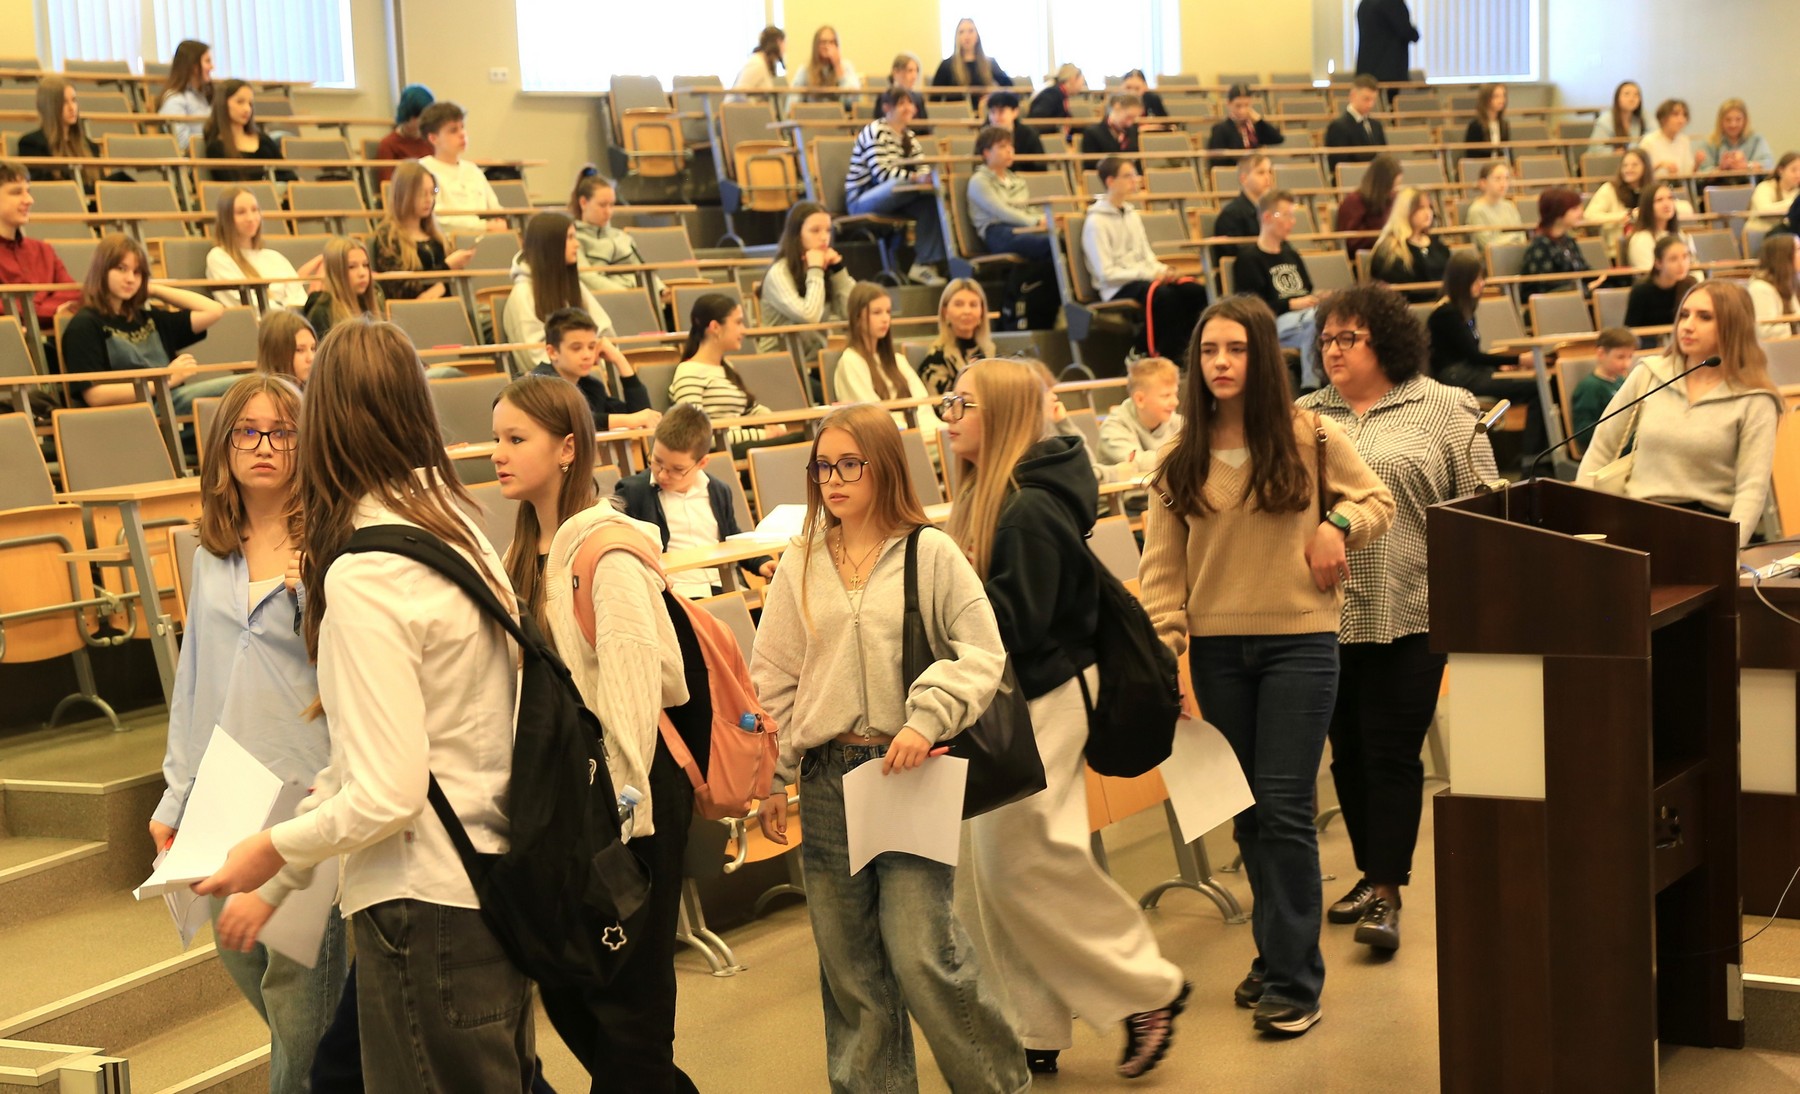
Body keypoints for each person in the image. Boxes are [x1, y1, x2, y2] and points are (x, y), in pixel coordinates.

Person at [193, 318, 536, 1093]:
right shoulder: (460, 528)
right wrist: (279, 882)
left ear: (326, 428)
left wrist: (273, 848)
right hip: (488, 880)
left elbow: (385, 792)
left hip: (425, 902)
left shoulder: (368, 572)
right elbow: (370, 759)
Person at [749, 402, 1026, 1094]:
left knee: (922, 952)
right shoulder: (801, 560)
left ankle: (998, 1084)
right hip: (826, 780)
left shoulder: (929, 552)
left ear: (884, 468)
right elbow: (774, 675)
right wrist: (772, 777)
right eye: (823, 467)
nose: (833, 481)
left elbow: (982, 653)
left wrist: (926, 718)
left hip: (909, 774)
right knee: (852, 973)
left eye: (850, 465)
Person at [1139, 295, 1394, 1036]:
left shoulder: (1311, 436)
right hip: (1219, 653)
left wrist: (1336, 524)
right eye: (1209, 351)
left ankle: (1295, 982)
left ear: (1262, 357)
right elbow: (1162, 575)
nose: (1221, 363)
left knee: (1282, 807)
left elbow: (1377, 501)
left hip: (1300, 644)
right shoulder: (1177, 460)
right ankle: (1274, 951)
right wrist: (1163, 654)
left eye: (1236, 349)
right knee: (1248, 813)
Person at [941, 357, 1191, 1078]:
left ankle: (1147, 988)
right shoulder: (999, 498)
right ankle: (1033, 1024)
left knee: (1026, 862)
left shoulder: (1028, 510)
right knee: (992, 870)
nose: (949, 416)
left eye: (962, 403)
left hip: (1047, 694)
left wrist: (943, 603)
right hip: (1018, 698)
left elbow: (1016, 625)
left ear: (1000, 416)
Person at [489, 376, 698, 1093]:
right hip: (575, 797)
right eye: (497, 438)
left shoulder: (606, 553)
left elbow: (637, 691)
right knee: (575, 995)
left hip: (627, 797)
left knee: (630, 1016)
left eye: (516, 439)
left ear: (567, 448)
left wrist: (626, 821)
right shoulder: (525, 553)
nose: (498, 453)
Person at [155, 373, 348, 1094]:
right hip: (225, 790)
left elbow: (349, 671)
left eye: (283, 432)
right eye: (248, 431)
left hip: (306, 786)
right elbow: (194, 678)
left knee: (299, 1003)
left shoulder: (330, 541)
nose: (265, 445)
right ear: (224, 446)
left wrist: (313, 593)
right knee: (242, 957)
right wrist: (175, 796)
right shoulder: (209, 552)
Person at [1298, 285, 1495, 954]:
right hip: (1322, 615)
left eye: (1347, 338)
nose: (1333, 350)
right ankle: (1369, 872)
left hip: (1412, 605)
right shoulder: (1304, 415)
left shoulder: (1444, 406)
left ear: (1385, 339)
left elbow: (1481, 506)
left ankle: (1387, 890)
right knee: (1348, 753)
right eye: (1326, 339)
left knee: (1389, 751)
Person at [1577, 282, 1781, 547]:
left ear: (1733, 326)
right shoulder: (1649, 373)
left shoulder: (1755, 398)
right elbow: (1601, 448)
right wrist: (1583, 521)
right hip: (1634, 523)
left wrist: (1729, 553)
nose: (1687, 325)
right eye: (1684, 314)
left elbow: (1751, 489)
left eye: (1704, 317)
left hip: (1706, 532)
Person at [614, 403, 776, 596]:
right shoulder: (632, 492)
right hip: (677, 592)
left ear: (702, 462)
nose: (663, 474)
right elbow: (624, 552)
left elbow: (731, 536)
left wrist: (761, 562)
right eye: (657, 461)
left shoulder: (718, 490)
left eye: (677, 469)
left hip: (724, 585)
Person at [62, 232, 224, 410]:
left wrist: (154, 289)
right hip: (136, 410)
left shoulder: (148, 317)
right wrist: (166, 381)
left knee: (242, 390)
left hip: (170, 401)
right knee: (239, 389)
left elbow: (213, 310)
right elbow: (95, 396)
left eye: (137, 272)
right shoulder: (84, 324)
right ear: (101, 270)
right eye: (121, 269)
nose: (130, 279)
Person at [1083, 156, 1208, 361]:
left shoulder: (1131, 214)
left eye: (1135, 175)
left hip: (1144, 278)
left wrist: (1164, 270)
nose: (1135, 180)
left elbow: (1146, 255)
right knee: (1163, 296)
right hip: (1117, 286)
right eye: (1128, 176)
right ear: (1110, 181)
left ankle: (1189, 350)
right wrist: (1150, 275)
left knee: (1193, 290)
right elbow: (1105, 273)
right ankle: (1156, 352)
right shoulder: (1096, 222)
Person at [1427, 251, 1544, 454]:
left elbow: (1472, 354)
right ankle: (1531, 457)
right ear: (1462, 281)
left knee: (1537, 385)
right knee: (1536, 388)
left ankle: (1529, 453)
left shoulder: (1463, 309)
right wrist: (1518, 359)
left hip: (1470, 372)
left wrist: (1500, 365)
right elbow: (1473, 356)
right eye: (1477, 279)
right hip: (1457, 378)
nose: (1482, 284)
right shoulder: (1445, 313)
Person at [846, 88, 946, 287]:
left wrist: (926, 178)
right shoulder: (875, 131)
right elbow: (882, 175)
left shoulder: (909, 136)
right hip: (861, 199)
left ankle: (923, 264)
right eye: (902, 104)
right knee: (898, 184)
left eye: (910, 103)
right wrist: (916, 178)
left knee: (930, 200)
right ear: (886, 108)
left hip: (897, 196)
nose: (908, 108)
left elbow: (921, 166)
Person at [670, 293, 790, 453]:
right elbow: (694, 436)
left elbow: (749, 409)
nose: (744, 330)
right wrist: (762, 435)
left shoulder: (726, 367)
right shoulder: (689, 372)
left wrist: (774, 422)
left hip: (742, 445)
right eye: (738, 322)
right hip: (720, 451)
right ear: (715, 327)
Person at [506, 211, 621, 376]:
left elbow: (604, 333)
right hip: (549, 386)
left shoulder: (572, 284)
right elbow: (534, 357)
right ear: (550, 245)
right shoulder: (523, 294)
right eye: (570, 238)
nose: (577, 244)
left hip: (586, 377)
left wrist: (594, 363)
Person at [966, 126, 1058, 330]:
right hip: (997, 233)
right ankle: (1030, 294)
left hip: (1021, 229)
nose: (1009, 151)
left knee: (1059, 241)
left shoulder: (1016, 180)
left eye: (1010, 146)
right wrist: (1035, 222)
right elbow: (1002, 211)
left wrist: (1045, 219)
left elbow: (1023, 209)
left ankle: (1043, 300)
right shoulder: (978, 181)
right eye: (1002, 146)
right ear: (986, 152)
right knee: (1050, 245)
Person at [1235, 189, 1327, 389]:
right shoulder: (1249, 258)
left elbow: (1307, 289)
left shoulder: (1291, 254)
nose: (1292, 222)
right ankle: (1311, 388)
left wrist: (1316, 298)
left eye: (1292, 216)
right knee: (1317, 321)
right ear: (1267, 217)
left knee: (1325, 319)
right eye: (1287, 215)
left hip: (1304, 319)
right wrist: (1290, 304)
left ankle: (1321, 387)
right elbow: (1251, 308)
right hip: (1274, 321)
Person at [834, 281, 945, 436]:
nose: (885, 319)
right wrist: (909, 428)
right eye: (877, 312)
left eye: (888, 312)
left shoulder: (898, 360)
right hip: (887, 435)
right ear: (857, 317)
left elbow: (922, 402)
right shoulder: (851, 361)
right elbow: (869, 414)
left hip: (919, 428)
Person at [756, 200, 854, 362]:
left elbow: (853, 314)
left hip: (814, 359)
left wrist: (838, 271)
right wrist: (815, 270)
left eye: (828, 230)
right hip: (779, 363)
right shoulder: (779, 272)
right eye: (815, 231)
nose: (824, 237)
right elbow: (809, 317)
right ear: (796, 235)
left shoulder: (826, 268)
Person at [0, 162, 81, 358]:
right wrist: (54, 310)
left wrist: (33, 312)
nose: (29, 200)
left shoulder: (42, 249)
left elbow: (73, 293)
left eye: (28, 191)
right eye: (16, 192)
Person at [533, 306, 658, 432]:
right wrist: (627, 420)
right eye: (576, 348)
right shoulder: (538, 382)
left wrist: (619, 360)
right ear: (552, 352)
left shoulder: (592, 387)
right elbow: (568, 420)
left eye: (591, 347)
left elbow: (640, 415)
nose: (587, 355)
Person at [371, 160, 474, 302]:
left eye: (432, 192)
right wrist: (446, 268)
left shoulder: (436, 235)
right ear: (404, 194)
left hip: (447, 306)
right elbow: (401, 289)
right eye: (422, 193)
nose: (429, 199)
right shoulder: (388, 237)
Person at [207, 186, 321, 312]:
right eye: (241, 212)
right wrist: (286, 312)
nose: (251, 218)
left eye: (254, 210)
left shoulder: (274, 257)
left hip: (294, 318)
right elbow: (244, 306)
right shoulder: (219, 257)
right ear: (226, 219)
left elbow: (298, 297)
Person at [568, 167, 662, 298]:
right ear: (583, 203)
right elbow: (587, 277)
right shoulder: (573, 238)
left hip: (639, 297)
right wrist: (628, 296)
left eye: (611, 205)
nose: (608, 212)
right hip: (607, 300)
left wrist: (661, 291)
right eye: (602, 205)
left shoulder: (622, 236)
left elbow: (643, 270)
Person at [418, 102, 505, 235]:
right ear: (433, 138)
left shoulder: (473, 170)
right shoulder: (423, 170)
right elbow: (436, 217)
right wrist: (483, 226)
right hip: (446, 239)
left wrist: (499, 222)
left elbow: (495, 209)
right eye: (453, 130)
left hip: (484, 237)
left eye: (462, 127)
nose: (462, 134)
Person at [1096, 354, 1183, 483]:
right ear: (1140, 400)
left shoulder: (1178, 422)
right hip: (1128, 495)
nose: (1175, 402)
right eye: (1166, 396)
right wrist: (1183, 457)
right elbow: (1136, 463)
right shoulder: (1113, 427)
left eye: (1175, 394)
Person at [916, 278, 996, 396]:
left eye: (973, 305)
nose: (967, 311)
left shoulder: (991, 353)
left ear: (982, 311)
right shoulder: (935, 360)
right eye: (959, 304)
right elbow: (941, 404)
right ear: (945, 312)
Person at [1367, 187, 1449, 302]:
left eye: (1429, 207)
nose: (1428, 213)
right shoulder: (1390, 249)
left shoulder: (1438, 246)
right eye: (1421, 208)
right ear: (1406, 211)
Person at [202, 80, 292, 183]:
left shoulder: (263, 140)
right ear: (223, 104)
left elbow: (289, 175)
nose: (247, 109)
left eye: (250, 104)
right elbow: (231, 184)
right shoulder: (216, 146)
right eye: (240, 102)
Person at [1519, 188, 1598, 304]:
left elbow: (1584, 270)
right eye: (1574, 209)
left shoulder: (1568, 242)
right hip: (1551, 304)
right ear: (1558, 212)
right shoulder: (1540, 246)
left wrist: (1602, 279)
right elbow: (1543, 285)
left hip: (1575, 297)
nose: (1581, 213)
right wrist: (1582, 287)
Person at [19, 76, 100, 185]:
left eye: (74, 100)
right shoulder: (32, 145)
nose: (72, 108)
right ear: (50, 107)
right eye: (64, 102)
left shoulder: (89, 146)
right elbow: (41, 186)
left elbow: (99, 184)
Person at [302, 237, 383, 339]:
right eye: (352, 267)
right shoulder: (322, 312)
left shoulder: (374, 302)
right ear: (336, 272)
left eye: (365, 265)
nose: (362, 273)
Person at [1582, 148, 1653, 259]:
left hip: (1649, 248)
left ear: (1646, 167)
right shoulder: (1609, 189)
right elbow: (1589, 216)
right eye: (1625, 165)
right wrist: (1625, 216)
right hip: (1616, 250)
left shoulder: (1652, 190)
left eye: (1634, 165)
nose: (1629, 169)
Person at [1569, 328, 1636, 439]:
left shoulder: (1621, 380)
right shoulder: (1590, 387)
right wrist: (1616, 428)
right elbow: (1583, 432)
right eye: (1620, 357)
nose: (1626, 364)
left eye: (1630, 357)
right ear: (1601, 354)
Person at [932, 18, 1011, 111]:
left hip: (985, 114)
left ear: (977, 36)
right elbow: (934, 98)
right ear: (957, 37)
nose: (967, 36)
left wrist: (993, 97)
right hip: (957, 115)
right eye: (961, 32)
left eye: (971, 31)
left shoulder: (990, 63)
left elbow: (1009, 87)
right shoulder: (946, 65)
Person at [1334, 151, 1402, 259]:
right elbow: (1351, 241)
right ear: (1381, 184)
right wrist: (1383, 236)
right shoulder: (1354, 202)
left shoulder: (1392, 199)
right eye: (1392, 187)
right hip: (1367, 257)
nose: (1394, 191)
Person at [1624, 236, 1698, 333]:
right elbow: (1630, 329)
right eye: (1673, 259)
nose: (1682, 264)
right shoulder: (1641, 290)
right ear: (1658, 263)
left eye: (1685, 257)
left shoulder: (1690, 284)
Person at [1212, 153, 1274, 263]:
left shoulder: (1271, 210)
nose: (1267, 177)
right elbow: (1233, 254)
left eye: (1269, 172)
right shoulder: (1231, 214)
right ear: (1244, 179)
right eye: (1261, 173)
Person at [1622, 183, 1697, 274]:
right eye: (1659, 200)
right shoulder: (1641, 239)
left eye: (1670, 198)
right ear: (1648, 206)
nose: (1667, 204)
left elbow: (1694, 266)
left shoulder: (1680, 235)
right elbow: (1650, 275)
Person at [1206, 84, 1284, 167]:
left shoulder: (1255, 127)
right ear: (1229, 104)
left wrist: (1259, 120)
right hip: (1234, 171)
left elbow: (1278, 139)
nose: (1242, 110)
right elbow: (1216, 162)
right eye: (1238, 106)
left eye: (1247, 105)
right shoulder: (1220, 129)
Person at [158, 39, 214, 152]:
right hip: (196, 159)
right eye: (207, 61)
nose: (212, 67)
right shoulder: (175, 100)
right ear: (194, 66)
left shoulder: (203, 95)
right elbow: (181, 144)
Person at [1325, 75, 1388, 173]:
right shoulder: (1338, 127)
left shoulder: (1376, 125)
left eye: (1373, 100)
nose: (1371, 104)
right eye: (1366, 99)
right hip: (1352, 176)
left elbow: (1384, 155)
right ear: (1353, 96)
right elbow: (1338, 164)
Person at [1355, 0, 1419, 95]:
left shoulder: (1364, 3)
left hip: (1366, 71)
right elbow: (1407, 31)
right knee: (1389, 102)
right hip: (1389, 72)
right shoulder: (1393, 3)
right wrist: (1415, 33)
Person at [375, 84, 434, 185]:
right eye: (419, 117)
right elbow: (387, 185)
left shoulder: (431, 140)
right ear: (407, 115)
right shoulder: (388, 144)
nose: (423, 122)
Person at [1464, 160, 1526, 253]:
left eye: (1506, 178)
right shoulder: (1476, 210)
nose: (1503, 184)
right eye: (1497, 179)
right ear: (1483, 183)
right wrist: (1513, 238)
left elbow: (1521, 236)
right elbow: (1487, 244)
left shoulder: (1509, 206)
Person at [791, 26, 861, 107]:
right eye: (823, 42)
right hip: (813, 112)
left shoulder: (846, 66)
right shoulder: (805, 69)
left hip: (838, 113)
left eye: (831, 42)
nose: (827, 46)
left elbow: (852, 100)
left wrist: (838, 66)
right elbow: (793, 101)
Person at [1748, 232, 1800, 340]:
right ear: (1783, 257)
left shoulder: (1791, 279)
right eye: (1798, 249)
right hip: (1780, 347)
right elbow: (1764, 332)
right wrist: (1795, 328)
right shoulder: (1760, 288)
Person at [1703, 99, 1774, 176]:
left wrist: (1746, 165)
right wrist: (1720, 169)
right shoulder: (1710, 142)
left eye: (1738, 119)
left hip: (1752, 182)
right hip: (1719, 183)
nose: (1733, 124)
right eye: (1728, 120)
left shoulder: (1757, 139)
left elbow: (1768, 164)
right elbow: (1702, 172)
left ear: (1745, 120)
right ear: (1720, 121)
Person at [1637, 99, 1705, 179]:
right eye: (1675, 115)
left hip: (1679, 183)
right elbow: (1640, 171)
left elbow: (1688, 173)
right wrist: (1660, 165)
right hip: (1656, 184)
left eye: (1684, 115)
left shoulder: (1684, 140)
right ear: (1663, 118)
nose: (1681, 120)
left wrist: (1697, 163)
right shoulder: (1649, 141)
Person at [1079, 93, 1143, 168]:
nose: (1130, 123)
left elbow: (1138, 163)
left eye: (1133, 119)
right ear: (1117, 107)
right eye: (1128, 117)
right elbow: (1090, 166)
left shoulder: (1133, 130)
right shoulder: (1092, 133)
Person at [256, 308, 316, 386]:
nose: (311, 358)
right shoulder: (263, 393)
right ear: (276, 353)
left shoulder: (311, 388)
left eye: (313, 349)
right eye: (300, 350)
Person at [985, 91, 1043, 172]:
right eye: (992, 112)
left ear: (1015, 112)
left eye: (1001, 112)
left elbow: (1040, 166)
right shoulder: (984, 135)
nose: (996, 117)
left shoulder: (1029, 134)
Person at [1588, 80, 1646, 156]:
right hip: (1604, 160)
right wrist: (1613, 152)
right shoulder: (1605, 120)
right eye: (1627, 94)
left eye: (1636, 95)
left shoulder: (1639, 118)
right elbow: (1596, 148)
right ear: (1617, 98)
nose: (1632, 98)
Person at [873, 53, 930, 130]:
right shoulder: (883, 98)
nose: (914, 76)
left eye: (916, 71)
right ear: (896, 72)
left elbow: (925, 128)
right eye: (910, 71)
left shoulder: (918, 98)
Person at [729, 26, 786, 103]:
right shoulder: (757, 64)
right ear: (778, 42)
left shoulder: (763, 63)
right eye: (783, 43)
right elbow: (739, 94)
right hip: (741, 110)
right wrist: (756, 106)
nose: (785, 48)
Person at [1749, 152, 1800, 234]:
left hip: (1788, 235)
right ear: (1781, 170)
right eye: (1794, 170)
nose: (1798, 175)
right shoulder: (1764, 187)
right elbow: (1763, 210)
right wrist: (1793, 203)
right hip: (1761, 233)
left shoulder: (1797, 191)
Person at [1460, 83, 1510, 157]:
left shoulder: (1504, 125)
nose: (1501, 100)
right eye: (1496, 96)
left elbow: (1507, 151)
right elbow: (1471, 154)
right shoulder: (1475, 125)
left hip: (1501, 163)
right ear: (1486, 99)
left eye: (1503, 96)